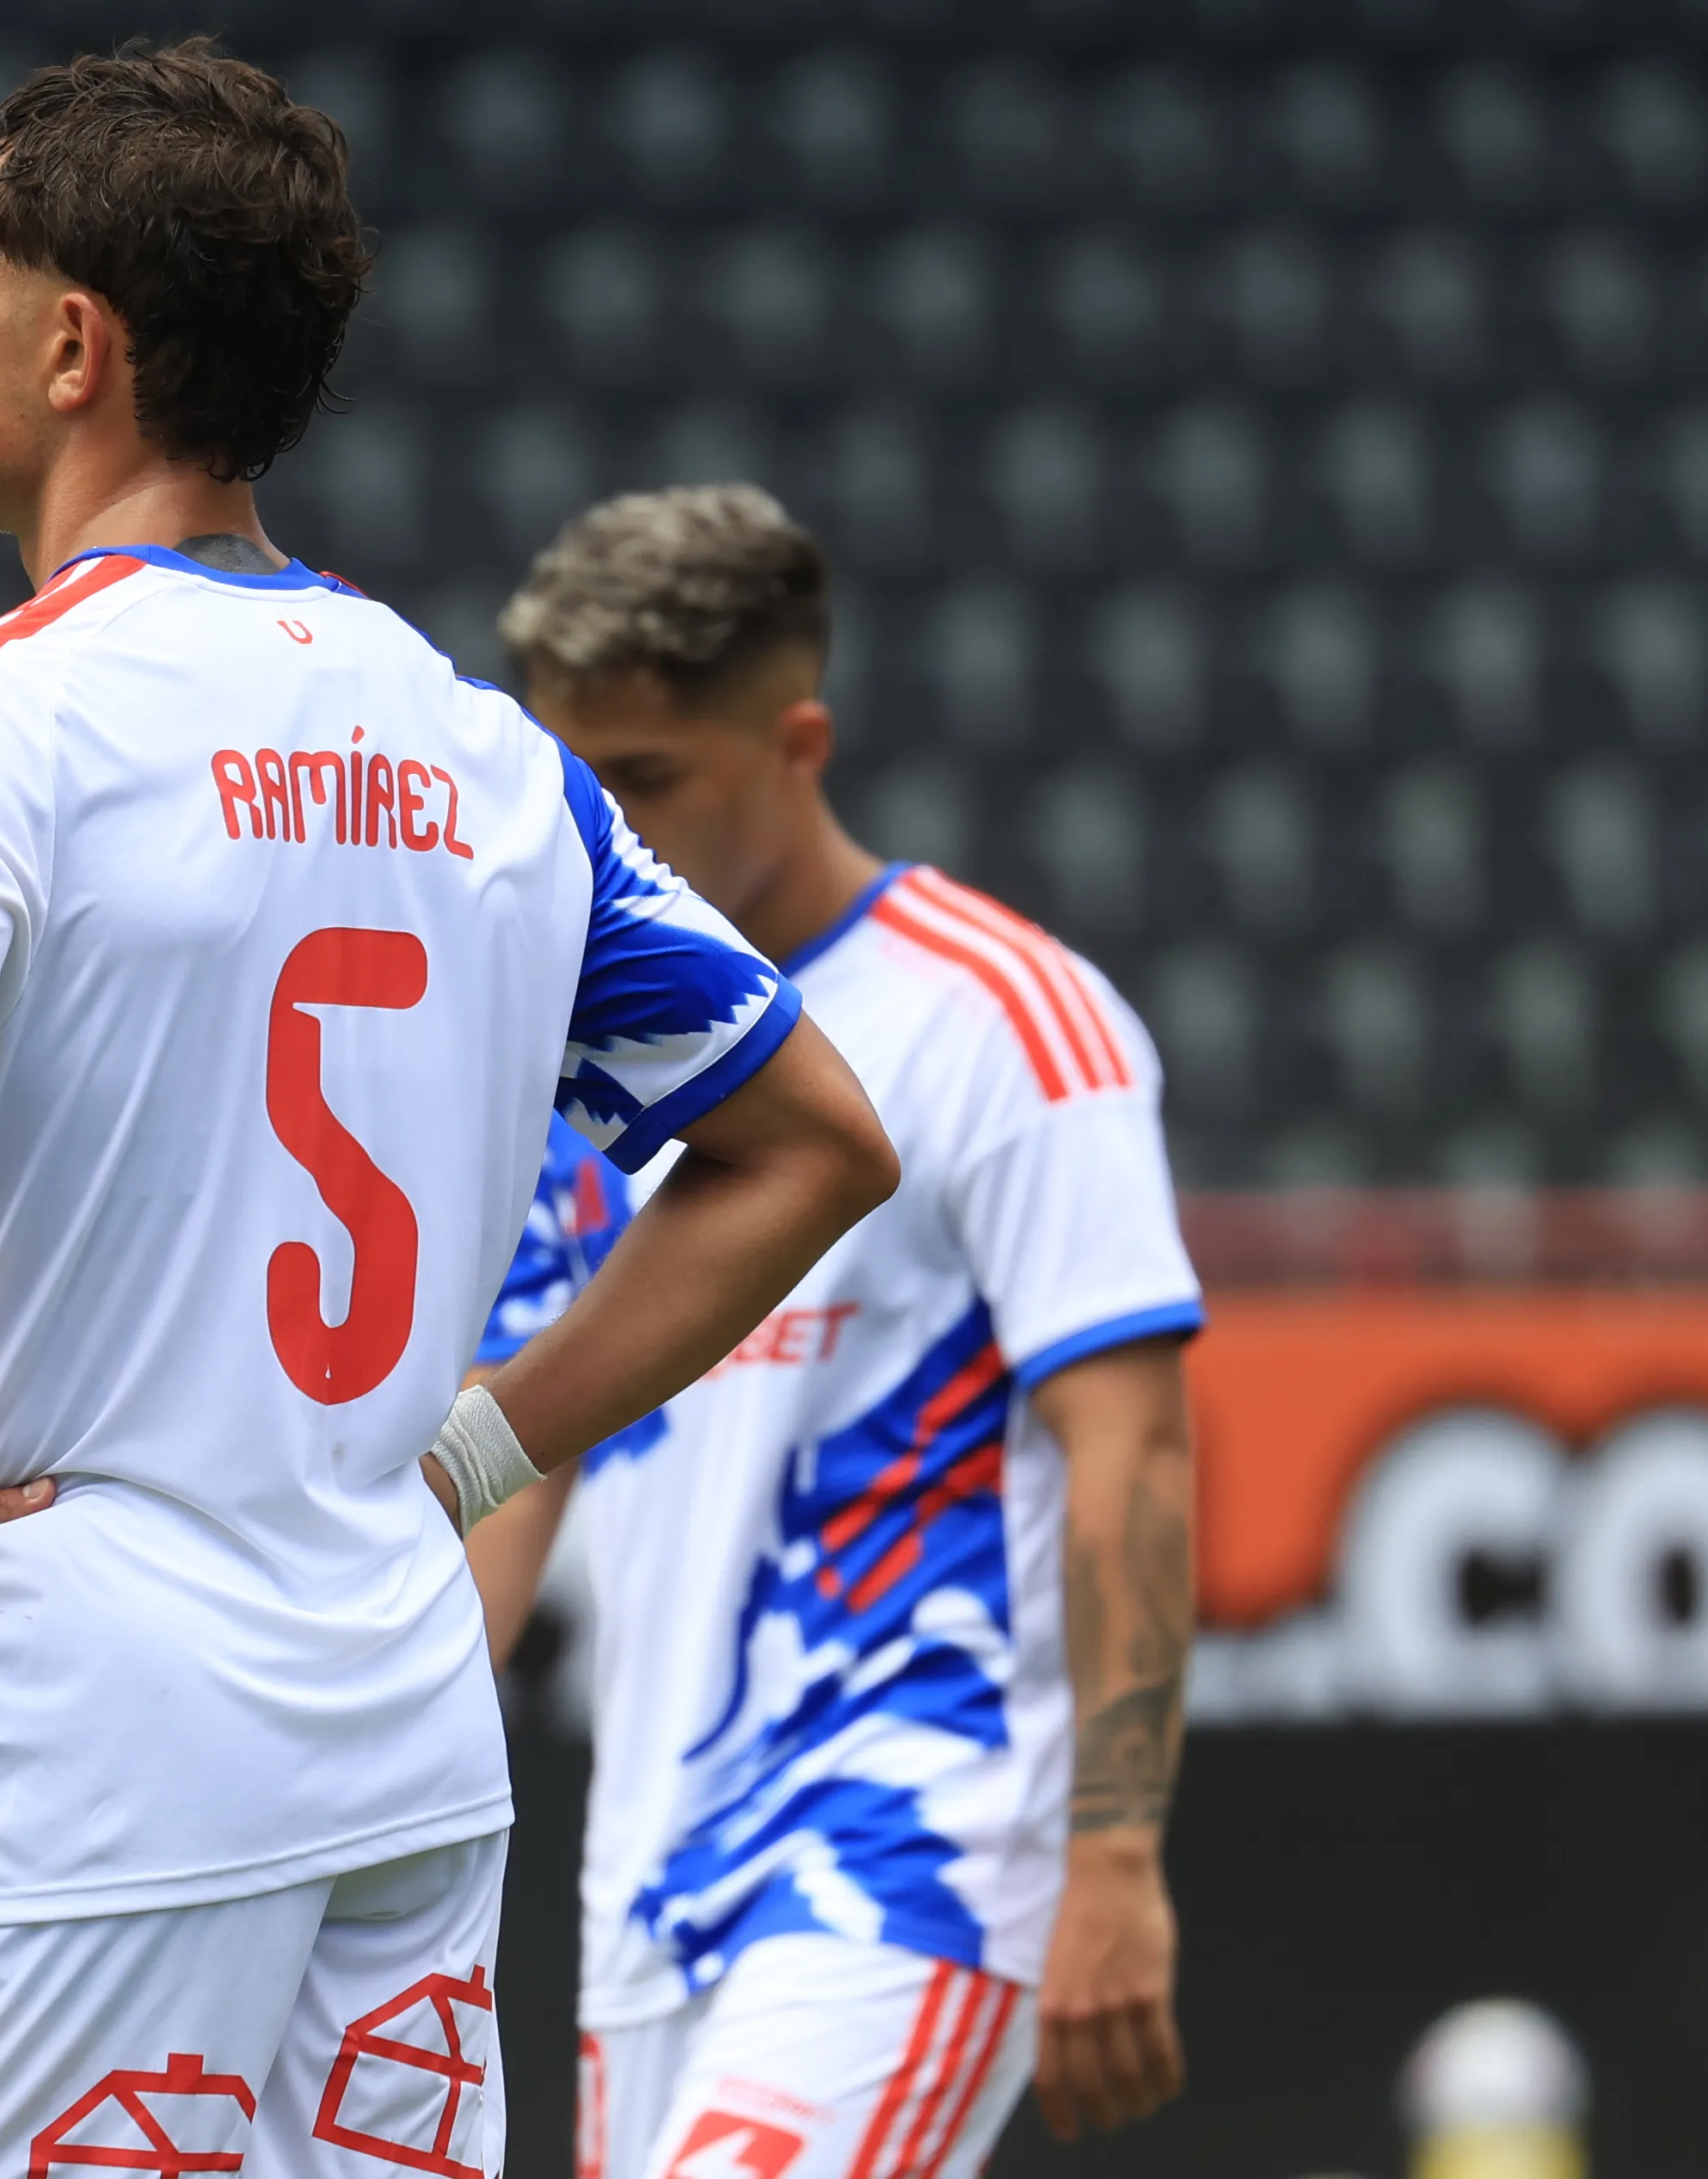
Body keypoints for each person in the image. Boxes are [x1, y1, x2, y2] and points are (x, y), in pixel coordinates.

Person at [0, 45, 900, 2179]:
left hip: (58, 1754)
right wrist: (475, 1452)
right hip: (396, 1743)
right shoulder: (480, 752)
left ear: (73, 347)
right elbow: (813, 1141)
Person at [474, 484, 1204, 2179]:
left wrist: (1111, 1856)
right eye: (573, 783)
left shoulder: (1008, 1023)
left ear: (795, 743)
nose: (601, 831)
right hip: (647, 1875)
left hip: (909, 1850)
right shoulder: (583, 1058)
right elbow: (514, 1452)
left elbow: (1134, 1451)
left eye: (645, 778)